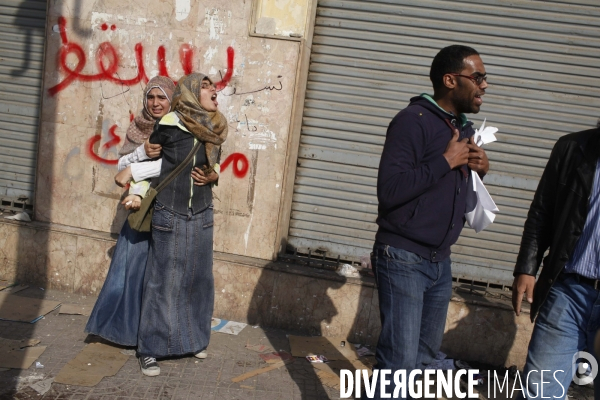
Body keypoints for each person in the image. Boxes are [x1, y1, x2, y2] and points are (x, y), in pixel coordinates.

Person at [371, 44, 489, 398]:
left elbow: (445, 188)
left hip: (440, 261)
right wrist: (446, 160)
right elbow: (389, 190)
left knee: (422, 363)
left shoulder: (461, 128)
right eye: (478, 77)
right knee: (399, 366)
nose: (484, 85)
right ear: (450, 80)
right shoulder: (412, 120)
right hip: (403, 257)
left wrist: (480, 170)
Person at [136, 73, 227, 377]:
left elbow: (214, 161)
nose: (213, 90)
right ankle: (150, 349)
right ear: (189, 93)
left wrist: (214, 174)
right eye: (205, 86)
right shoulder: (170, 124)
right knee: (164, 282)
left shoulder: (215, 124)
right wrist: (143, 154)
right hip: (170, 213)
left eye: (213, 86)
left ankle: (194, 341)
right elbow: (150, 162)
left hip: (202, 213)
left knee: (199, 280)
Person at [85, 76, 176, 346]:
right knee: (129, 272)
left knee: (159, 277)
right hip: (138, 211)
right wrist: (143, 151)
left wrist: (135, 169)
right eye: (151, 97)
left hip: (168, 208)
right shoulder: (140, 126)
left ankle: (156, 336)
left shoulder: (179, 128)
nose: (156, 103)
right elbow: (121, 162)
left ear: (172, 100)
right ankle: (118, 331)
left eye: (162, 98)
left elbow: (174, 167)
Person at [512, 122, 600, 399]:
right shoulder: (574, 148)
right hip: (567, 293)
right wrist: (527, 268)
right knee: (540, 390)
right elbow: (542, 211)